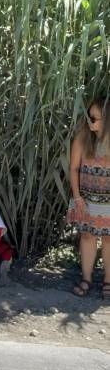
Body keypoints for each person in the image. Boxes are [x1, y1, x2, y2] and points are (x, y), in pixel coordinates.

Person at [67, 97, 110, 300]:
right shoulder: (82, 138)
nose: (90, 122)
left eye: (95, 118)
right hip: (87, 200)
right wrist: (77, 198)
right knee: (87, 237)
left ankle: (108, 282)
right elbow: (74, 168)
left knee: (109, 240)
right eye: (89, 117)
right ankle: (87, 279)